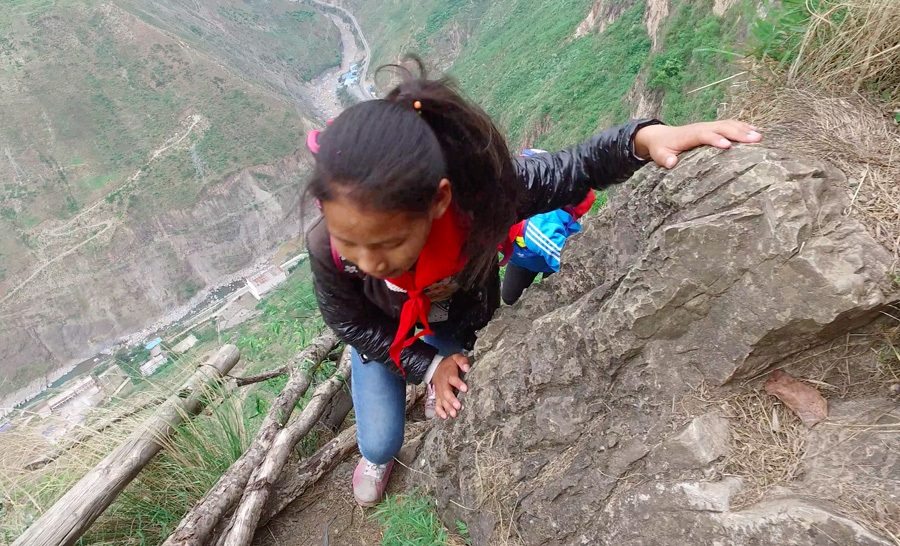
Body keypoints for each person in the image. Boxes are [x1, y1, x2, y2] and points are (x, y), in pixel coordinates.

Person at [305, 59, 761, 506]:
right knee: (382, 441)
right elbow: (348, 320)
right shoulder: (325, 244)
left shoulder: (483, 199)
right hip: (384, 332)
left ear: (439, 200)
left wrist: (644, 139)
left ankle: (439, 374)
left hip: (457, 319)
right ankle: (378, 453)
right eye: (350, 243)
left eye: (389, 243)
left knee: (457, 385)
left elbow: (575, 168)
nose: (367, 263)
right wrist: (426, 367)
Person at [499, 151, 597, 305]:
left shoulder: (537, 232)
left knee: (555, 297)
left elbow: (572, 264)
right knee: (509, 297)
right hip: (520, 254)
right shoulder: (491, 227)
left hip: (550, 253)